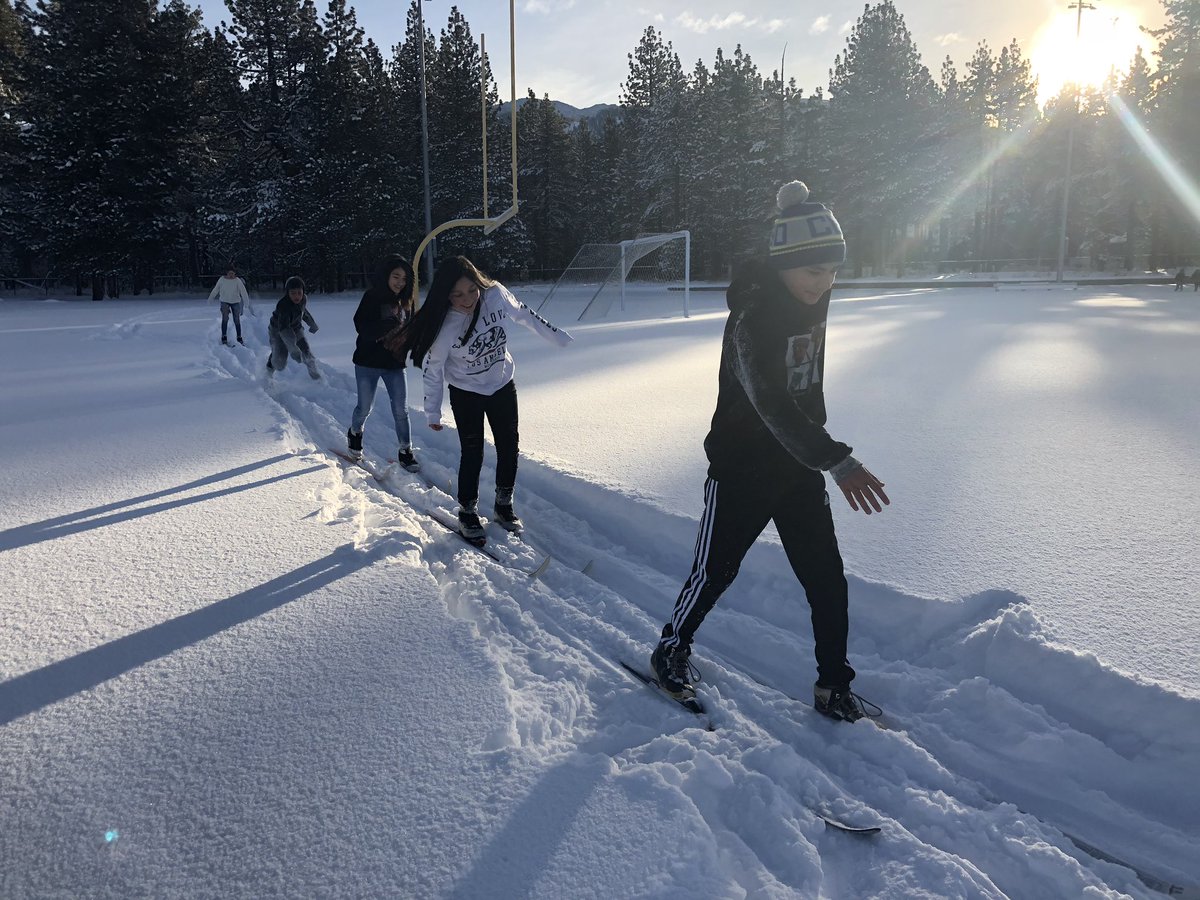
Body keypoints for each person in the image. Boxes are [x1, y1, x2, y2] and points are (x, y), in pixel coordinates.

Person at [649, 180, 890, 723]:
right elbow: (771, 402)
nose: (825, 283)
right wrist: (838, 459)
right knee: (715, 571)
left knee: (826, 579)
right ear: (783, 265)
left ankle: (833, 684)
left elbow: (806, 388)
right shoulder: (753, 319)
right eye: (813, 271)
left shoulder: (811, 297)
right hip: (741, 467)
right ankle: (670, 650)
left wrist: (817, 451)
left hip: (797, 466)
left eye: (833, 271)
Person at [402, 255, 572, 541]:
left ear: (478, 283)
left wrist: (556, 336)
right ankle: (467, 512)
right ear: (446, 296)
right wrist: (432, 411)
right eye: (456, 294)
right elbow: (433, 370)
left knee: (509, 446)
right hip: (466, 393)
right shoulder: (445, 326)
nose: (467, 299)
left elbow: (524, 314)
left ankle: (503, 506)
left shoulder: (495, 295)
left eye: (471, 290)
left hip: (502, 383)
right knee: (473, 452)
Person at [346, 255, 420, 471]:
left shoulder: (407, 301)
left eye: (404, 279)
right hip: (367, 361)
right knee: (364, 407)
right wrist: (383, 326)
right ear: (386, 276)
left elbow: (410, 329)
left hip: (395, 363)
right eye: (396, 276)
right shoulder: (372, 297)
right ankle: (355, 433)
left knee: (400, 409)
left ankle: (405, 451)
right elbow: (360, 326)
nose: (399, 282)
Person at [266, 276, 320, 380]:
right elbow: (285, 330)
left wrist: (312, 324)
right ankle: (269, 370)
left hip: (296, 327)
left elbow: (303, 311)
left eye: (299, 292)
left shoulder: (303, 299)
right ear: (288, 293)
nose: (297, 296)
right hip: (277, 330)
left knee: (306, 350)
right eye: (293, 293)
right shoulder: (283, 306)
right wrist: (294, 350)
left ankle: (316, 377)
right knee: (279, 363)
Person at [208, 265, 250, 345]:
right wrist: (211, 298)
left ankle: (239, 337)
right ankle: (224, 336)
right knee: (225, 319)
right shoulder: (222, 280)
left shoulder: (237, 281)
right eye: (229, 273)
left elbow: (243, 291)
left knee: (237, 319)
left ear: (235, 274)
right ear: (226, 273)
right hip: (224, 301)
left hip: (235, 302)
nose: (231, 275)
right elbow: (216, 289)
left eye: (233, 273)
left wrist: (246, 302)